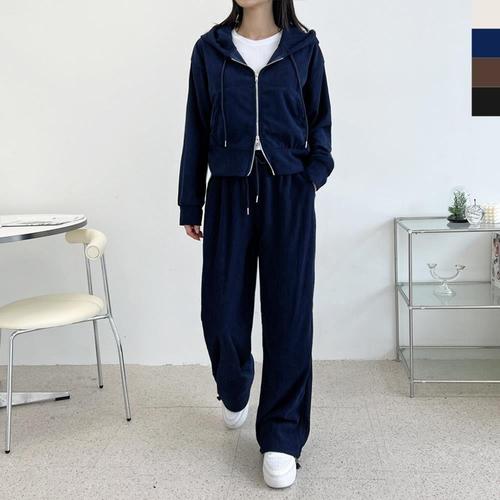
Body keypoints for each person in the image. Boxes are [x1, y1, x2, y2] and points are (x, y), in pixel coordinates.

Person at [177, 0, 334, 488]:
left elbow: (321, 122)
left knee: (289, 316)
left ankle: (282, 435)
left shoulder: (304, 48)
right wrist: (191, 202)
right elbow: (196, 126)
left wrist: (311, 177)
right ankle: (234, 382)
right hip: (229, 189)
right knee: (222, 311)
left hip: (289, 190)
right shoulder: (210, 49)